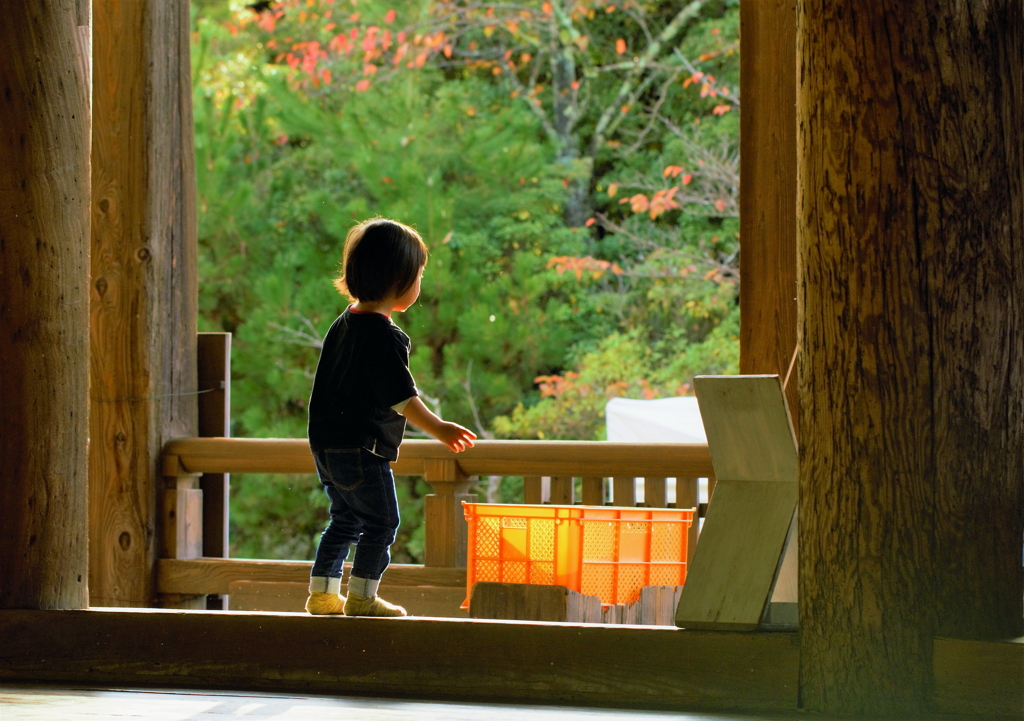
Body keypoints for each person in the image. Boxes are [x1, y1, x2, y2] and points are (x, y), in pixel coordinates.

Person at [305, 218, 477, 617]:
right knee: (382, 523)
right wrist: (440, 428)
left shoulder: (344, 323)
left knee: (344, 519)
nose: (420, 283)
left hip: (327, 447)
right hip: (362, 448)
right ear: (399, 280)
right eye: (419, 275)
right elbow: (400, 398)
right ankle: (362, 598)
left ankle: (323, 592)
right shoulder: (382, 335)